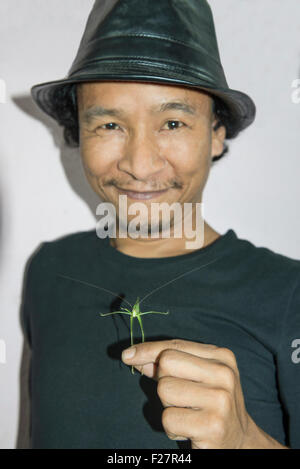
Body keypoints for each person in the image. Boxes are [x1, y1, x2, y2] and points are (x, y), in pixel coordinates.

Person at [22, 0, 300, 449]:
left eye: (172, 122)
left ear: (216, 133)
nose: (140, 163)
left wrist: (246, 441)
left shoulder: (290, 294)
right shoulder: (48, 269)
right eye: (110, 123)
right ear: (79, 133)